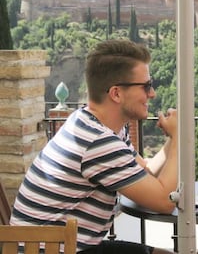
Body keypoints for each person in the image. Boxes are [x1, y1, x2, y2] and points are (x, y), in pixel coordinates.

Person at [10, 40, 178, 254]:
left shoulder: (97, 125)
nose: (152, 93)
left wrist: (173, 139)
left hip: (66, 246)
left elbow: (145, 173)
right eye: (146, 86)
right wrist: (180, 136)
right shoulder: (97, 141)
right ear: (116, 93)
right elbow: (165, 201)